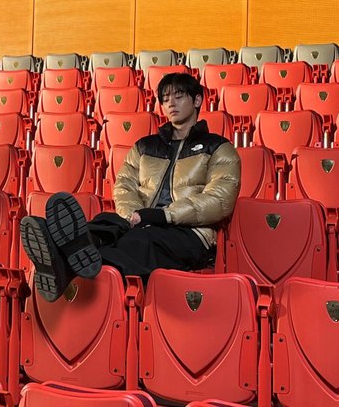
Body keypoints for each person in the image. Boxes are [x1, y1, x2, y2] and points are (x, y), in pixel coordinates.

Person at [21, 72, 241, 302]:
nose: (171, 104)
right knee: (105, 223)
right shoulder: (145, 146)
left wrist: (162, 216)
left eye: (178, 96)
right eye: (165, 99)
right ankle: (62, 250)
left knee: (139, 242)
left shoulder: (218, 147)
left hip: (190, 234)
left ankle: (62, 266)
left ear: (197, 100)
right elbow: (124, 185)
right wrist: (134, 215)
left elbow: (219, 200)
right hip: (140, 222)